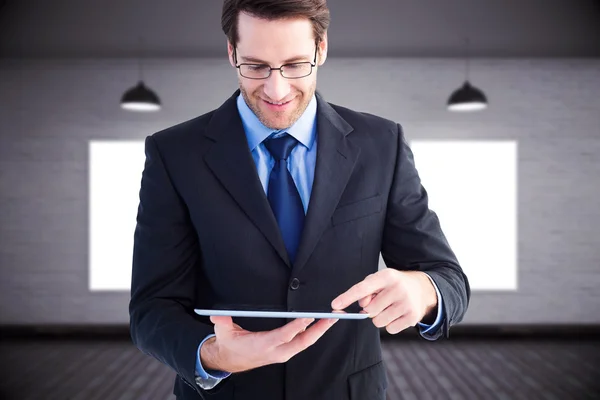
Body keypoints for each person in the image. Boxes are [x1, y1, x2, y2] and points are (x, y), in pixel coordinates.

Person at [129, 1, 470, 399]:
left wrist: (424, 291)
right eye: (255, 66)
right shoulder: (175, 154)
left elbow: (447, 278)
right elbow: (151, 308)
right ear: (231, 53)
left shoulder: (381, 144)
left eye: (294, 65)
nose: (276, 89)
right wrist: (212, 354)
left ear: (321, 49)